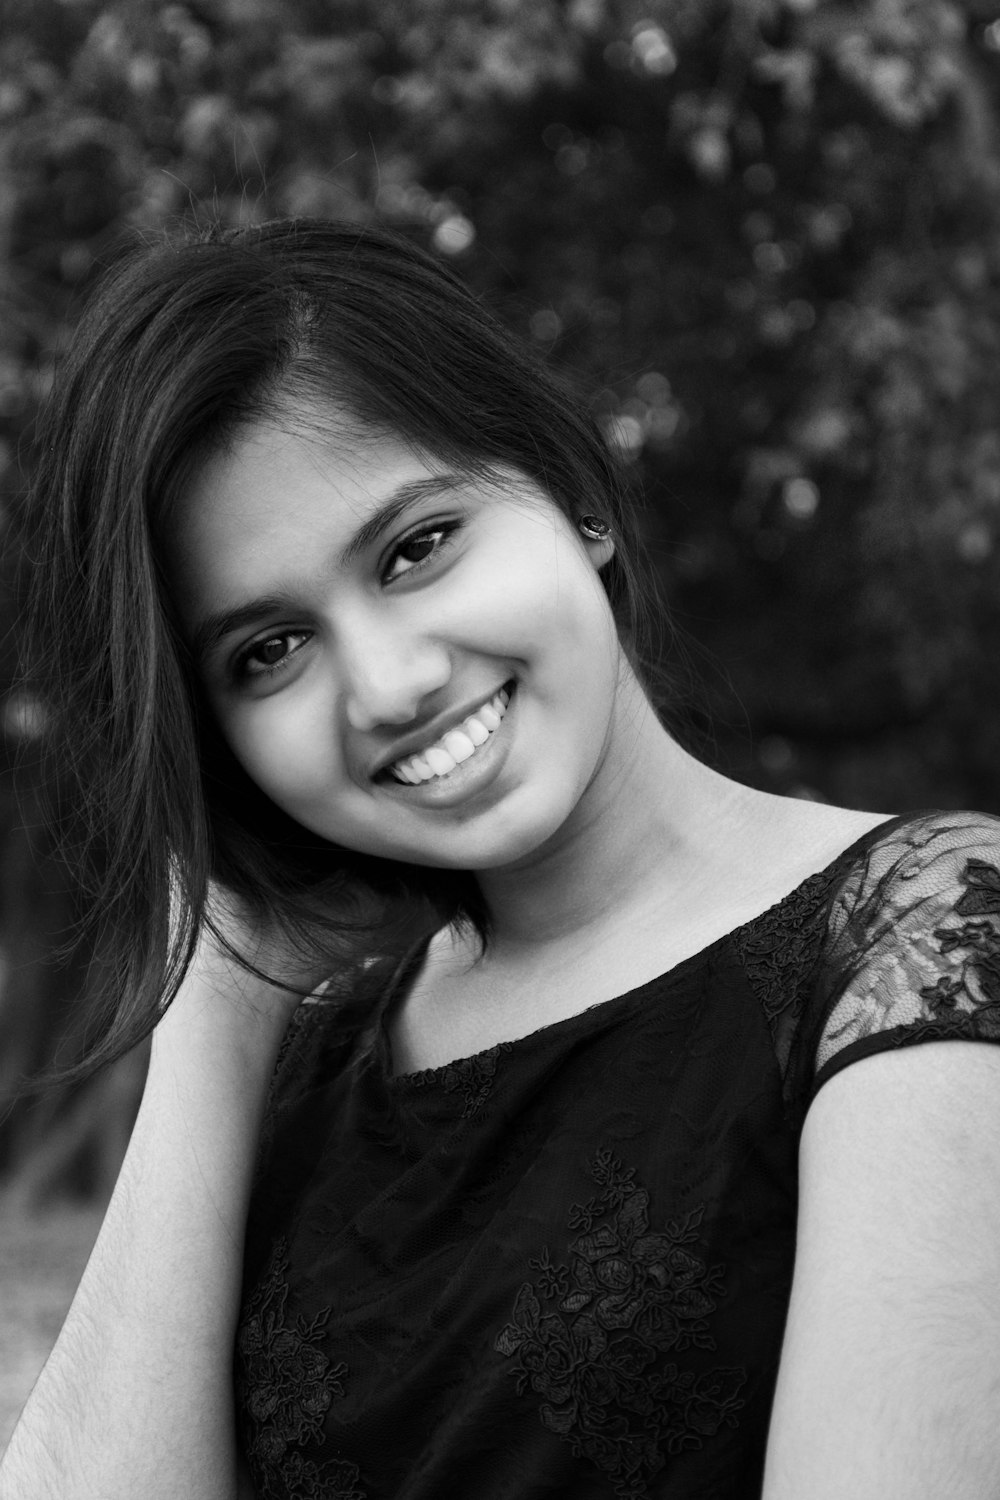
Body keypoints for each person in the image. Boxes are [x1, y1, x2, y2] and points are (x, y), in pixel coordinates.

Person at [3, 218, 1000, 1500]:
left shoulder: (921, 940)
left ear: (574, 498)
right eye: (269, 652)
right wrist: (212, 1018)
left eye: (416, 548)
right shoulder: (302, 1074)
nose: (391, 682)